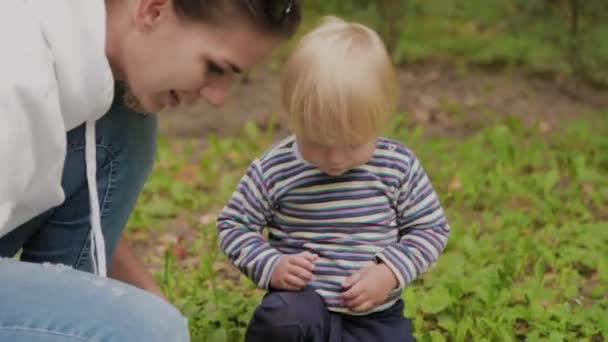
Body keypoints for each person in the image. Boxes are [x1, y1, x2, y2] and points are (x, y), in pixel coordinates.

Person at [0, 0, 301, 341]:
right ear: (153, 10)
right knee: (147, 332)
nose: (218, 97)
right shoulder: (15, 74)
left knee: (123, 123)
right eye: (214, 67)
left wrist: (157, 306)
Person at [217, 17, 451, 341]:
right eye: (318, 142)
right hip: (303, 306)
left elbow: (430, 228)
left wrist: (389, 271)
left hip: (374, 317)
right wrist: (271, 265)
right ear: (295, 116)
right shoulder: (275, 169)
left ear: (377, 120)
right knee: (281, 318)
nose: (336, 159)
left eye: (353, 143)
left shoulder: (397, 166)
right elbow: (233, 224)